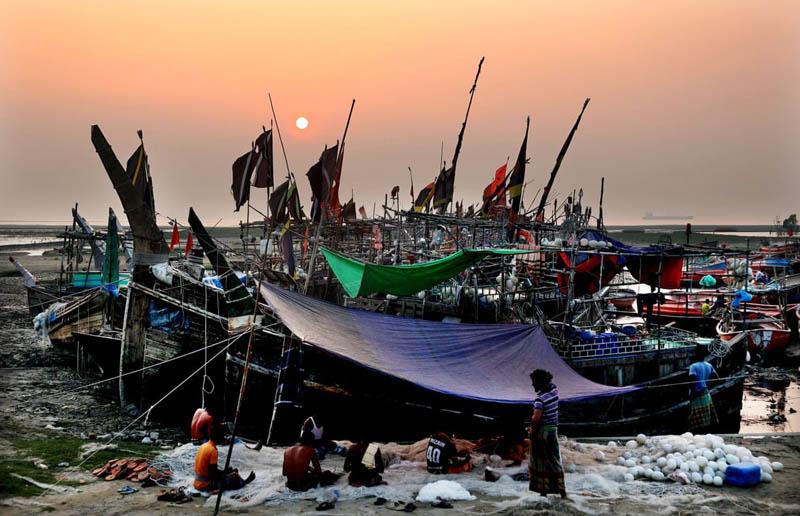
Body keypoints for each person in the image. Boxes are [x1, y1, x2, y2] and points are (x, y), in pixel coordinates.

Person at [528, 369, 566, 498]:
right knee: (554, 460)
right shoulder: (554, 391)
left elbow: (535, 418)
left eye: (534, 382)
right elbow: (552, 384)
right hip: (553, 430)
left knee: (541, 461)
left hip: (542, 432)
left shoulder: (539, 400)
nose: (532, 385)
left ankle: (543, 492)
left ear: (539, 382)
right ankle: (562, 491)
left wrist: (532, 431)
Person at [194, 426, 255, 493]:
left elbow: (211, 470)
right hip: (205, 484)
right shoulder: (212, 450)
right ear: (217, 437)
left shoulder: (204, 446)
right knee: (234, 476)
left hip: (198, 482)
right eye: (221, 436)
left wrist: (227, 471)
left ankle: (240, 480)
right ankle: (244, 483)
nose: (223, 438)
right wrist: (227, 473)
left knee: (232, 472)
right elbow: (214, 474)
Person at [688, 347, 720, 432]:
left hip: (697, 393)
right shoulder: (708, 365)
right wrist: (708, 384)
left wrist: (692, 394)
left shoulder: (693, 366)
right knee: (706, 419)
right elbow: (717, 378)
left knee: (696, 420)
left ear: (696, 355)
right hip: (706, 393)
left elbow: (692, 380)